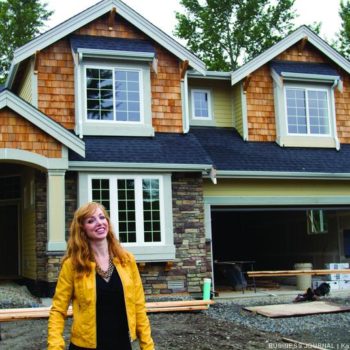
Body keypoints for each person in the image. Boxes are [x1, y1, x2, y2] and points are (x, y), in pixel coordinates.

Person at [48, 201, 155, 350]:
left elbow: (139, 307)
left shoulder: (127, 260)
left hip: (121, 345)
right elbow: (58, 310)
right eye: (91, 221)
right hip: (85, 347)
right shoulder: (72, 265)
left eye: (101, 217)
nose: (99, 223)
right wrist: (55, 346)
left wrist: (147, 346)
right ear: (82, 230)